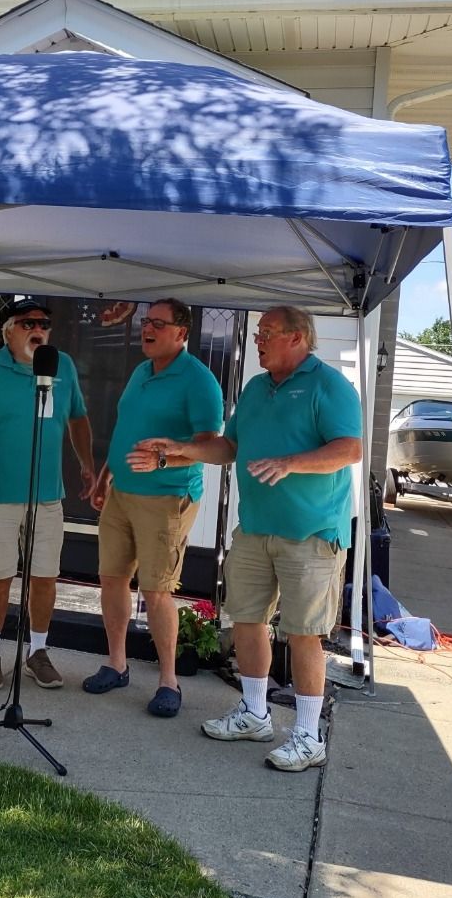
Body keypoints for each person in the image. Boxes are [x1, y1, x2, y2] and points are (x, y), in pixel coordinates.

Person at [129, 306, 362, 771]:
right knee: (248, 622)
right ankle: (255, 713)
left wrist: (292, 462)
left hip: (311, 534)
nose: (258, 341)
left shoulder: (328, 385)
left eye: (268, 334)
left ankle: (307, 735)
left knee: (303, 633)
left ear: (297, 338)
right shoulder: (256, 389)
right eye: (258, 333)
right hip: (255, 528)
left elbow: (349, 448)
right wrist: (179, 452)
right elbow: (228, 446)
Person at [0, 298, 94, 691]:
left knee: (44, 577)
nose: (38, 329)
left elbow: (77, 418)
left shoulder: (63, 366)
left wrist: (87, 465)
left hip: (47, 497)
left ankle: (37, 652)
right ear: (8, 331)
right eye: (27, 323)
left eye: (44, 323)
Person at [83, 298, 224, 718]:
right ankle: (117, 664)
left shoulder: (199, 381)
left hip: (167, 496)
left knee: (157, 590)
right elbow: (126, 429)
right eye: (147, 322)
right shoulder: (141, 371)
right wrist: (105, 476)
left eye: (158, 324)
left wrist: (164, 458)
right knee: (111, 579)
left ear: (182, 333)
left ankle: (168, 681)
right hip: (122, 493)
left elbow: (210, 447)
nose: (148, 329)